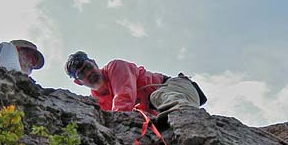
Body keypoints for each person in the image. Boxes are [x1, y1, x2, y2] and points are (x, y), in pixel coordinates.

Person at [64, 51, 206, 118]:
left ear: (94, 63)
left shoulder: (115, 67)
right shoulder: (99, 104)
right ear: (78, 82)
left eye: (88, 67)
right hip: (158, 111)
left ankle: (186, 118)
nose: (89, 73)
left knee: (157, 96)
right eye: (82, 74)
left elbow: (124, 97)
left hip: (176, 89)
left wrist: (114, 125)